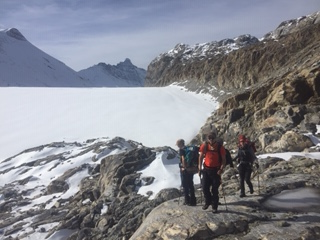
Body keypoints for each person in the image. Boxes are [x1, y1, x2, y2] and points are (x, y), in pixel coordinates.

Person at [198, 132, 226, 213]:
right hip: (206, 170)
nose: (211, 139)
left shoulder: (220, 147)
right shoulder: (205, 146)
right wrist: (199, 168)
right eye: (209, 138)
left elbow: (224, 160)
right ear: (207, 138)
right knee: (204, 187)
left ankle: (214, 206)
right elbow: (200, 157)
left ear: (215, 138)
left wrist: (221, 169)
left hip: (216, 171)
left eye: (212, 137)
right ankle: (208, 202)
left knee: (214, 189)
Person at [176, 139, 197, 206]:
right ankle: (193, 200)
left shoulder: (182, 150)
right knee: (191, 184)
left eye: (177, 144)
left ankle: (187, 200)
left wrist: (183, 167)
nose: (177, 146)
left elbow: (183, 160)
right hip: (191, 169)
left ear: (180, 144)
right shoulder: (189, 149)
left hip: (185, 170)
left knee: (185, 185)